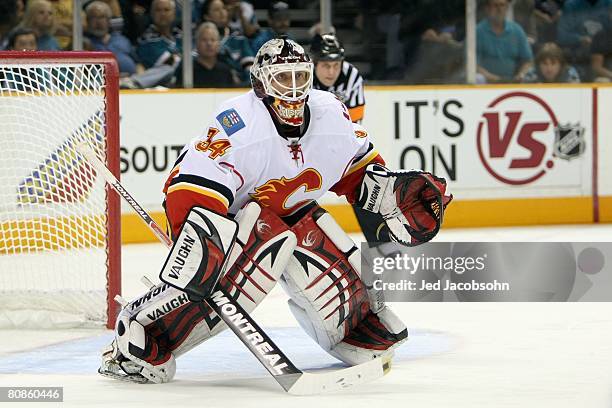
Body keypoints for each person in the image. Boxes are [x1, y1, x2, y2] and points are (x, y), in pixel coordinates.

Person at [97, 37, 452, 384]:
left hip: (286, 212)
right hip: (226, 219)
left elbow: (359, 173)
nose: (294, 88)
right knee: (248, 256)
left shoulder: (331, 114)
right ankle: (139, 333)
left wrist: (394, 193)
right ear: (261, 83)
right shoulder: (240, 123)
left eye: (301, 76)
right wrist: (202, 242)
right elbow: (190, 186)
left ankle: (352, 324)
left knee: (314, 231)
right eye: (283, 78)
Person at [310, 33, 365, 123]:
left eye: (336, 65)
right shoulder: (303, 76)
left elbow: (355, 120)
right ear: (315, 63)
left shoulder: (352, 76)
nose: (331, 72)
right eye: (326, 65)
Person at [476, 0, 534, 83]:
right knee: (478, 78)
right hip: (486, 82)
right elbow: (473, 64)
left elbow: (528, 60)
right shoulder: (478, 32)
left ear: (507, 8)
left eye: (502, 5)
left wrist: (521, 75)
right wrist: (491, 77)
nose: (499, 9)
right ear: (488, 9)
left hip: (514, 81)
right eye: (495, 5)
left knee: (530, 76)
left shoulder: (517, 30)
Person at [201, 0, 254, 85]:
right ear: (207, 16)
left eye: (224, 8)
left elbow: (251, 71)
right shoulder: (199, 40)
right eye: (217, 10)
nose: (222, 12)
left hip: (236, 88)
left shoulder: (239, 39)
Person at [85, 1, 138, 77]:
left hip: (132, 82)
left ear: (109, 20)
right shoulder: (83, 43)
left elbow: (138, 63)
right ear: (87, 21)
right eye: (93, 17)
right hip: (101, 84)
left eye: (102, 17)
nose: (98, 22)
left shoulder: (122, 40)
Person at [175, 22, 236, 87]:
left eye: (213, 40)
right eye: (204, 40)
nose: (209, 44)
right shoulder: (187, 70)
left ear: (218, 44)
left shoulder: (225, 71)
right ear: (196, 43)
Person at [136, 0, 182, 70]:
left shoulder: (179, 34)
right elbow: (174, 65)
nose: (162, 14)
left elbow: (196, 55)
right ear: (152, 13)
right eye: (158, 10)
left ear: (174, 13)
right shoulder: (146, 41)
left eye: (166, 10)